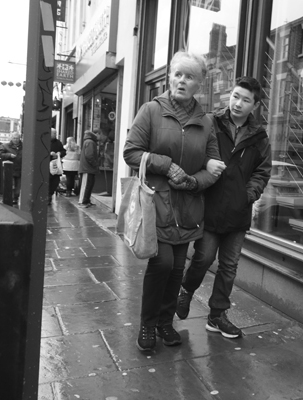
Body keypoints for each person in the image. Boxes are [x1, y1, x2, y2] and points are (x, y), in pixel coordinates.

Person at [123, 50, 223, 352]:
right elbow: (131, 153)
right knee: (162, 263)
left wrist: (193, 181)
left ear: (199, 84)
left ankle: (166, 323)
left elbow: (214, 168)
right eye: (178, 74)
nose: (182, 80)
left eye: (189, 76)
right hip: (156, 205)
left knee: (178, 268)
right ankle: (148, 324)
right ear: (169, 77)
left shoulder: (206, 122)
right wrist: (165, 164)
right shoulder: (151, 111)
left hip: (188, 208)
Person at [176, 76, 272, 339]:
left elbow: (263, 172)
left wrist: (248, 194)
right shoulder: (211, 123)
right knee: (204, 257)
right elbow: (196, 152)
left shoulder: (259, 137)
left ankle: (217, 316)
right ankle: (186, 290)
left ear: (255, 105)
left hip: (238, 211)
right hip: (210, 205)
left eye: (246, 100)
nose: (238, 103)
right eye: (236, 96)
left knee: (229, 266)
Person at [0, 132, 23, 205]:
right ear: (11, 138)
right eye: (14, 138)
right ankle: (10, 198)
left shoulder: (24, 146)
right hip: (10, 170)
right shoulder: (5, 146)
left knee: (18, 187)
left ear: (20, 138)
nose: (15, 140)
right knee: (10, 185)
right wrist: (9, 155)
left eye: (17, 138)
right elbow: (1, 154)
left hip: (20, 170)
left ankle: (15, 198)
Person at [78, 130, 99, 207]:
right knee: (86, 185)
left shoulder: (88, 141)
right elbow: (89, 155)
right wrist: (95, 164)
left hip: (87, 168)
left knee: (88, 185)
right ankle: (83, 201)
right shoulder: (90, 142)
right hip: (87, 168)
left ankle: (86, 201)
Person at [48, 128, 66, 205]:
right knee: (48, 181)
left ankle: (50, 194)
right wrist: (50, 154)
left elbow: (64, 151)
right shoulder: (45, 142)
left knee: (55, 182)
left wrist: (59, 153)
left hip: (56, 165)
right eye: (54, 133)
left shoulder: (58, 142)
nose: (55, 135)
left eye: (56, 133)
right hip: (47, 165)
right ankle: (47, 197)